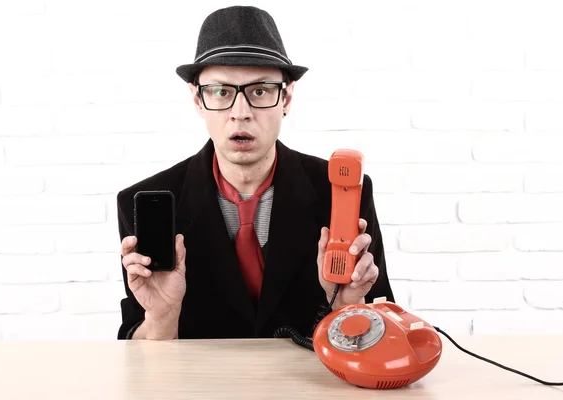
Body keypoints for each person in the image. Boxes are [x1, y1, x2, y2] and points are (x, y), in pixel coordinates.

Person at [116, 5, 395, 340]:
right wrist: (162, 316)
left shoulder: (341, 191)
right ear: (197, 99)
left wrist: (347, 305)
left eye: (260, 91)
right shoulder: (147, 202)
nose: (241, 113)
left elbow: (382, 330)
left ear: (287, 97)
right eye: (221, 92)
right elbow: (138, 358)